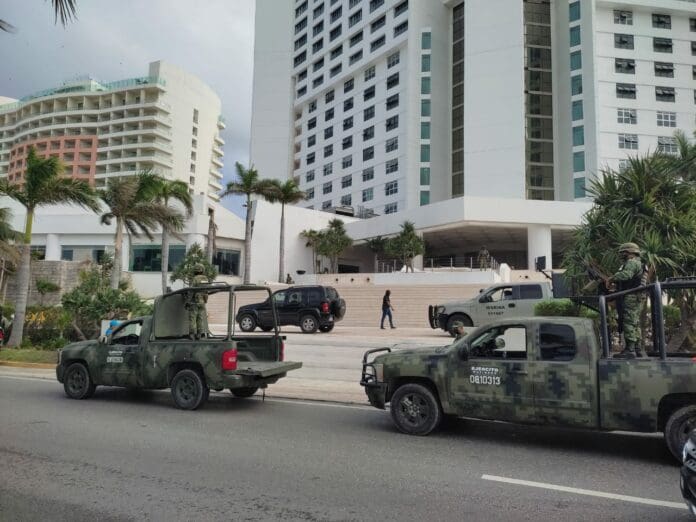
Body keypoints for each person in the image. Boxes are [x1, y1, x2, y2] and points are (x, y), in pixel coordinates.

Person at [609, 242, 647, 358]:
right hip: (637, 296)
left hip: (631, 296)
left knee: (628, 322)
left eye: (623, 252)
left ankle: (630, 350)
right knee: (635, 322)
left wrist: (612, 278)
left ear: (630, 252)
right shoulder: (640, 263)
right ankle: (637, 349)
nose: (621, 255)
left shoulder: (631, 262)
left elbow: (626, 275)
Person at [187, 263, 209, 340]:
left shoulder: (195, 279)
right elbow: (206, 291)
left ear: (195, 270)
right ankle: (200, 334)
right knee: (200, 318)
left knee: (192, 318)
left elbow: (191, 291)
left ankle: (192, 334)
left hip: (194, 301)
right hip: (202, 301)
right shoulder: (206, 279)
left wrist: (188, 301)